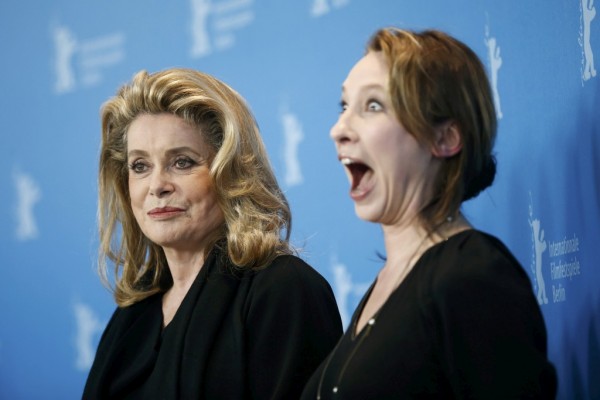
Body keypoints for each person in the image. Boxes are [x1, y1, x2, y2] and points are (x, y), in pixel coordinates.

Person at [301, 28, 557, 399]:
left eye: (373, 106)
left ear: (445, 138)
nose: (338, 130)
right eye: (344, 106)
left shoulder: (473, 275)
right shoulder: (390, 283)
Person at [82, 68, 343, 399]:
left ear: (231, 174)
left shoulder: (283, 290)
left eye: (182, 162)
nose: (157, 186)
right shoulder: (133, 313)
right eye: (140, 166)